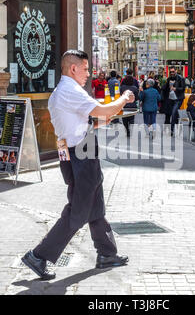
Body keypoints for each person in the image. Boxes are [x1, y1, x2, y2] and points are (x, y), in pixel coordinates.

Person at [21, 50, 133, 280]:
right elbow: (102, 110)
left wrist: (100, 121)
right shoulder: (70, 91)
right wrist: (124, 98)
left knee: (95, 206)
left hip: (76, 151)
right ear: (73, 69)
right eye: (85, 69)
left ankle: (107, 253)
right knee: (78, 211)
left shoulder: (61, 93)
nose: (88, 74)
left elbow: (81, 123)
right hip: (81, 155)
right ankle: (39, 255)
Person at [161, 66, 185, 136]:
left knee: (174, 113)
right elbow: (166, 88)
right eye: (171, 72)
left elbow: (183, 88)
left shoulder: (180, 78)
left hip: (178, 99)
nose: (172, 73)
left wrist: (176, 89)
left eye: (173, 72)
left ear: (176, 71)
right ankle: (171, 128)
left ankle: (171, 130)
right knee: (169, 114)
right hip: (170, 99)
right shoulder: (169, 79)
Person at [120, 69, 139, 137]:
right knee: (131, 118)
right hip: (132, 106)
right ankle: (130, 129)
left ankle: (127, 129)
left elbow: (120, 95)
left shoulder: (122, 87)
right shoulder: (135, 88)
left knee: (124, 119)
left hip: (124, 105)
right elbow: (137, 97)